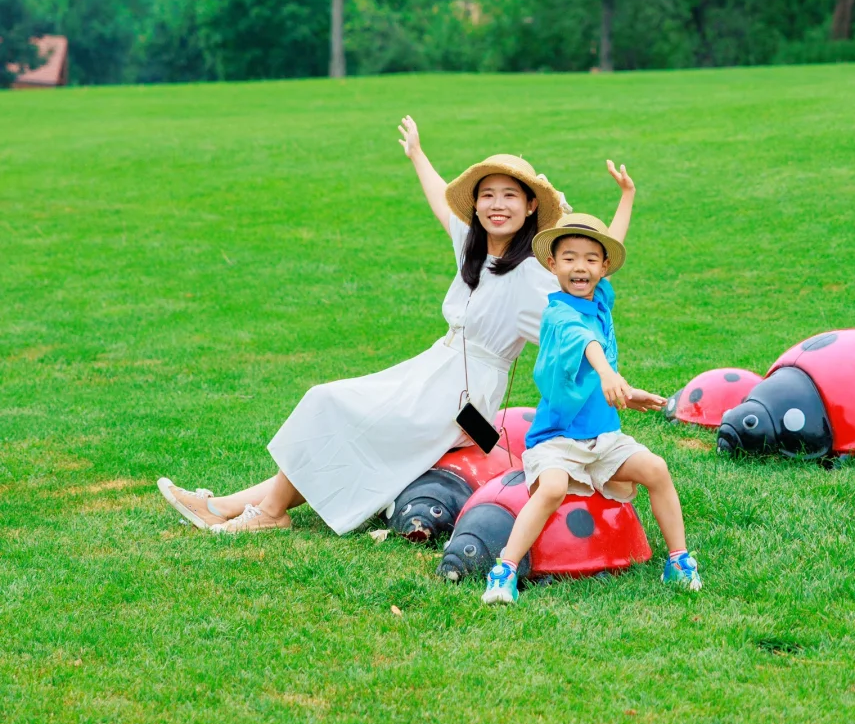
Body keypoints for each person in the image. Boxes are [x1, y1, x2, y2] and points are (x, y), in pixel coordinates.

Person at [157, 119, 632, 537]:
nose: (496, 205)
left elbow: (588, 269)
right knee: (332, 406)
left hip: (469, 399)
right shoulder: (472, 243)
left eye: (510, 195)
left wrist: (583, 210)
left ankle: (265, 511)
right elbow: (440, 202)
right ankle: (229, 506)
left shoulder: (534, 274)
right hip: (436, 367)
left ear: (531, 207)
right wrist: (418, 155)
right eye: (487, 195)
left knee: (341, 409)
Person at [482, 207, 702, 605]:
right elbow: (586, 341)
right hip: (557, 439)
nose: (579, 267)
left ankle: (679, 559)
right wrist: (609, 375)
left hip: (603, 435)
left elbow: (609, 248)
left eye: (590, 260)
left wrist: (627, 197)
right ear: (552, 264)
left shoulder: (599, 294)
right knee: (551, 488)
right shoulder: (558, 313)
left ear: (602, 268)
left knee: (656, 469)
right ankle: (505, 570)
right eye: (568, 259)